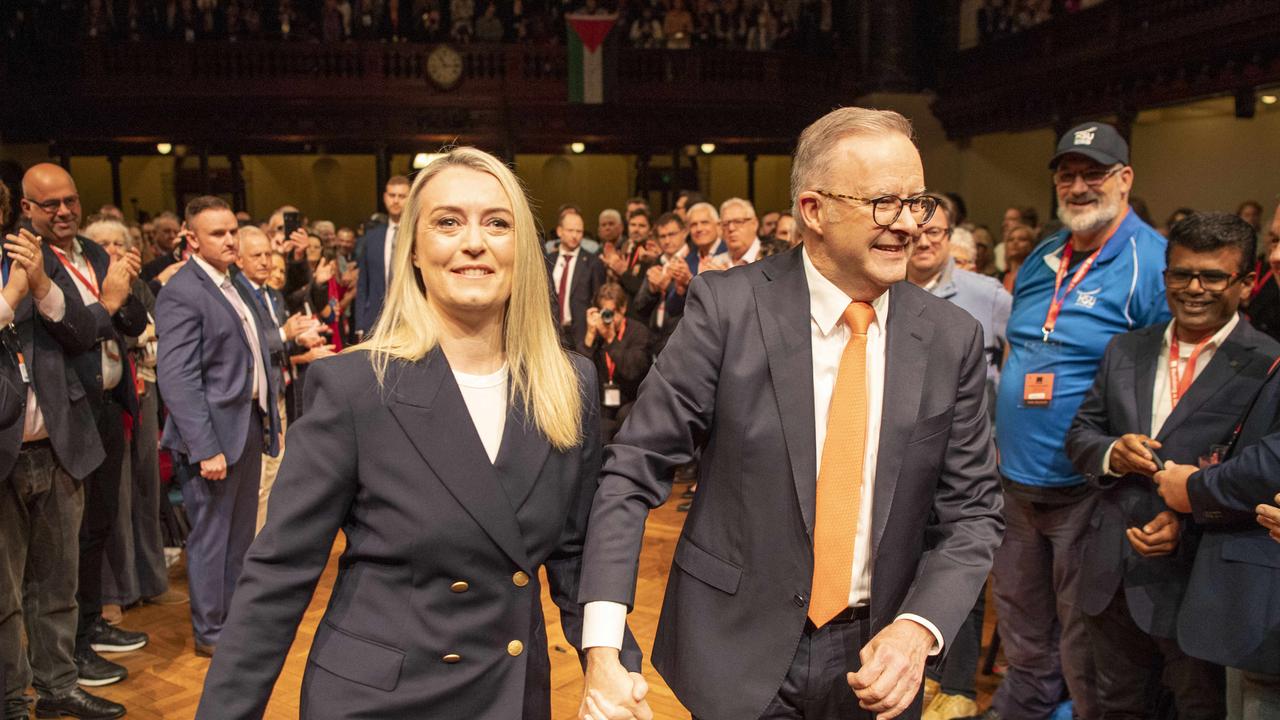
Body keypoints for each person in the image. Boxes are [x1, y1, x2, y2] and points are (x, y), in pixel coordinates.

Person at [578, 107, 1003, 720]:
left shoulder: (951, 338)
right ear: (813, 210)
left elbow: (973, 513)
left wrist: (919, 627)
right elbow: (633, 468)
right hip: (734, 645)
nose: (909, 225)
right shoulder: (727, 310)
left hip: (877, 659)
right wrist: (603, 647)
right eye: (885, 203)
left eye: (919, 202)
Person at [195, 147, 642, 719]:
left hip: (510, 694)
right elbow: (277, 577)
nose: (474, 241)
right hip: (379, 700)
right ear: (413, 252)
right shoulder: (354, 386)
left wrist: (609, 660)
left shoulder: (567, 383)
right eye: (448, 221)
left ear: (523, 250)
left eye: (497, 223)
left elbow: (576, 553)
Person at [983, 121, 1171, 720]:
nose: (1079, 185)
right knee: (1022, 630)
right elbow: (1019, 350)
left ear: (1125, 179)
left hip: (1093, 490)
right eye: (1068, 174)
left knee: (1088, 645)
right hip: (1015, 485)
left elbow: (1170, 380)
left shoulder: (1153, 261)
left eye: (1094, 173)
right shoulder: (1040, 256)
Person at [1066, 212, 1275, 720]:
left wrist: (1187, 520)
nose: (1194, 288)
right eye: (1181, 274)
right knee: (1117, 708)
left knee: (1198, 709)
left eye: (1212, 276)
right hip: (1111, 573)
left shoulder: (1267, 362)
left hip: (1199, 582)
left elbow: (1261, 478)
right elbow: (1080, 435)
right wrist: (1112, 453)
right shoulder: (1126, 347)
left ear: (1245, 284)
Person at [22, 164, 154, 690]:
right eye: (49, 204)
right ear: (27, 210)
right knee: (68, 539)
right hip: (67, 411)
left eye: (70, 201)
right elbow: (74, 332)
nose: (63, 212)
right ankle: (71, 650)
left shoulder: (94, 253)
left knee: (98, 523)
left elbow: (136, 320)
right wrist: (113, 299)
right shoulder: (33, 262)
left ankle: (92, 622)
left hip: (105, 405)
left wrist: (122, 295)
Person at [0, 221, 121, 718]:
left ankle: (57, 687)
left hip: (58, 443)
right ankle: (10, 703)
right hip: (4, 457)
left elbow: (84, 331)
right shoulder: (14, 274)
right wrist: (12, 293)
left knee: (56, 584)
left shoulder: (31, 255)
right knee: (3, 598)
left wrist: (44, 284)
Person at [157, 195, 282, 658]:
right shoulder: (182, 291)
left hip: (245, 423)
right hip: (210, 436)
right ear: (191, 239)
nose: (230, 240)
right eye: (218, 234)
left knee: (239, 533)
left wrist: (267, 418)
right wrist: (204, 446)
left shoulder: (233, 283)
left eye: (232, 231)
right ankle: (211, 631)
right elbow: (178, 377)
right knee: (212, 536)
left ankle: (232, 619)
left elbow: (252, 350)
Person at [906, 195, 1009, 720]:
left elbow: (1011, 368)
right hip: (904, 459)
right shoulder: (884, 286)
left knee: (962, 560)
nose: (925, 242)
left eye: (936, 234)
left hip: (966, 453)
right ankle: (917, 674)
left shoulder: (986, 294)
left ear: (950, 237)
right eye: (917, 233)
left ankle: (960, 686)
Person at [234, 226, 325, 533]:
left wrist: (301, 339)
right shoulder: (237, 292)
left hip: (277, 392)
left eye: (267, 255)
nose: (265, 262)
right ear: (239, 259)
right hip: (252, 398)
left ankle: (270, 540)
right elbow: (246, 341)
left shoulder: (270, 293)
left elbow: (285, 326)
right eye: (256, 256)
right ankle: (256, 547)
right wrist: (286, 334)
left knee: (276, 472)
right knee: (259, 479)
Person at [579, 283, 652, 442]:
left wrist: (611, 340)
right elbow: (579, 375)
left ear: (623, 308)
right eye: (603, 312)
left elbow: (633, 372)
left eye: (611, 313)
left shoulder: (639, 332)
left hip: (630, 399)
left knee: (620, 419)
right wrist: (590, 336)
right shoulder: (596, 332)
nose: (607, 318)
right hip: (602, 400)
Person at [355, 175, 409, 335]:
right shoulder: (371, 237)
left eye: (401, 196)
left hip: (410, 316)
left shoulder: (417, 235)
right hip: (375, 319)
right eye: (392, 195)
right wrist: (359, 324)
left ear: (410, 198)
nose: (396, 201)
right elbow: (363, 284)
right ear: (385, 198)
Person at [547, 209, 606, 349]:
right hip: (551, 332)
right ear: (560, 231)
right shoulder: (548, 261)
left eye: (579, 232)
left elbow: (598, 300)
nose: (575, 235)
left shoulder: (593, 262)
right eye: (570, 230)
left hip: (581, 335)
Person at [1000, 223, 1035, 294]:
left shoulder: (1034, 277)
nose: (1015, 242)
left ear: (1031, 245)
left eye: (1022, 239)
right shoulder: (999, 277)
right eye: (1011, 240)